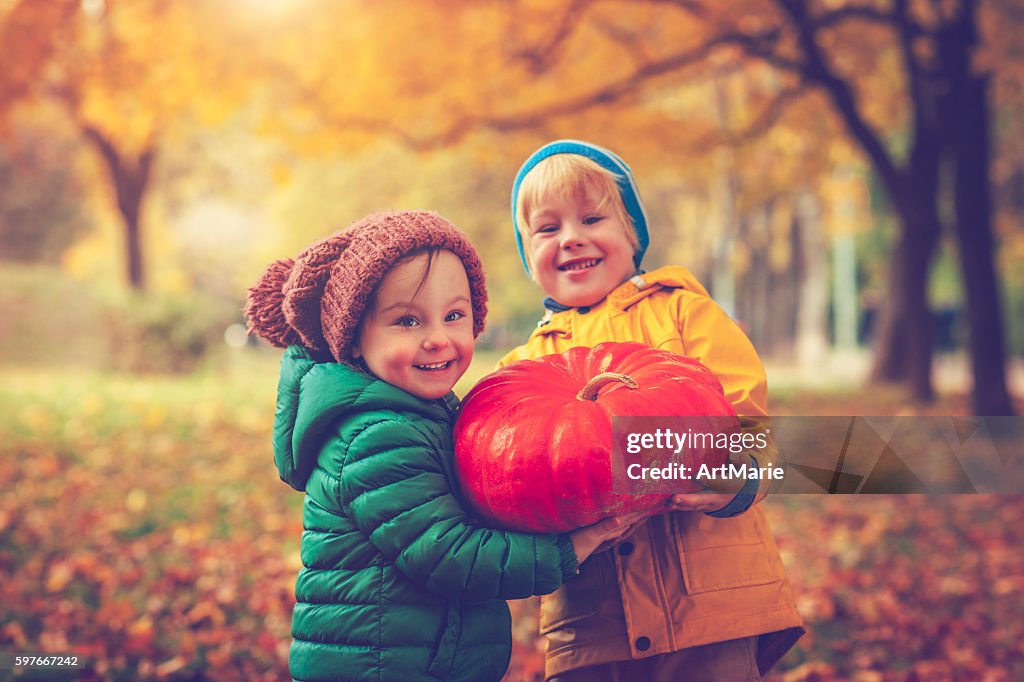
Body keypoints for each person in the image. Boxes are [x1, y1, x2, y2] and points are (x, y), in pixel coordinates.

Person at [245, 210, 639, 682]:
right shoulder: (375, 434)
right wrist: (570, 547)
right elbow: (448, 555)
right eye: (407, 321)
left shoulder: (421, 412)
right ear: (353, 340)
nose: (437, 339)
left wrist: (726, 477)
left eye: (454, 316)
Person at [502, 141, 806, 681]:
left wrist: (740, 476)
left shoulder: (686, 314)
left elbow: (746, 414)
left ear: (632, 235)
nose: (571, 237)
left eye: (592, 218)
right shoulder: (526, 366)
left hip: (711, 606)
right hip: (593, 622)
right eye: (547, 229)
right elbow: (510, 469)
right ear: (530, 257)